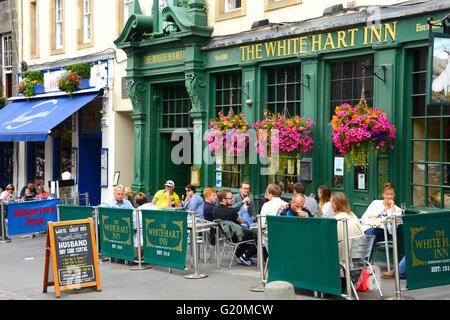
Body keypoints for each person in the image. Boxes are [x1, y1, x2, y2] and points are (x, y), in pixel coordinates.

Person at [213, 189, 258, 266]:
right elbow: (241, 221)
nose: (232, 199)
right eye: (230, 198)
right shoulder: (231, 211)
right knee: (258, 236)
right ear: (224, 200)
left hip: (228, 236)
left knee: (249, 233)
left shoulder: (215, 210)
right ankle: (246, 256)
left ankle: (238, 254)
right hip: (237, 235)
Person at [361, 182, 402, 260]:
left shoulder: (397, 210)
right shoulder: (375, 203)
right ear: (383, 194)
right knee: (368, 234)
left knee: (370, 234)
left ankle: (364, 265)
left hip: (384, 233)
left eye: (391, 194)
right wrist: (373, 222)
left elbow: (392, 229)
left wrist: (392, 209)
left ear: (394, 195)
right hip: (369, 229)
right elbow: (364, 218)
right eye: (387, 194)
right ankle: (361, 264)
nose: (389, 197)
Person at [331, 192, 364, 264]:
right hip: (359, 253)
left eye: (331, 202)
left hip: (345, 256)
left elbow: (333, 241)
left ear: (335, 204)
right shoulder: (352, 215)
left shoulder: (337, 219)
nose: (331, 205)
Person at [133, 193, 159, 259]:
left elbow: (134, 226)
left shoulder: (137, 211)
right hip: (156, 237)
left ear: (137, 203)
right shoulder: (156, 208)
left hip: (142, 239)